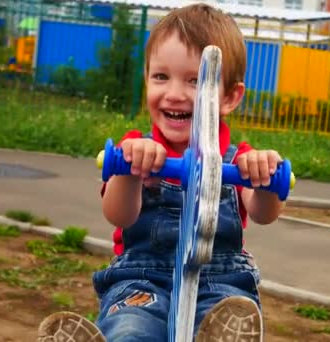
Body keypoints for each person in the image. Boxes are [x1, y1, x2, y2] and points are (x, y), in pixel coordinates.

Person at [38, 3, 285, 341]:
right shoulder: (133, 150)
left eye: (196, 81)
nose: (174, 94)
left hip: (219, 281)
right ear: (147, 80)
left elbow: (264, 213)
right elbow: (119, 216)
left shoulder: (235, 161)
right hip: (142, 278)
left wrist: (265, 176)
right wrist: (131, 172)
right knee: (131, 326)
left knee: (228, 320)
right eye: (161, 77)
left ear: (229, 97)